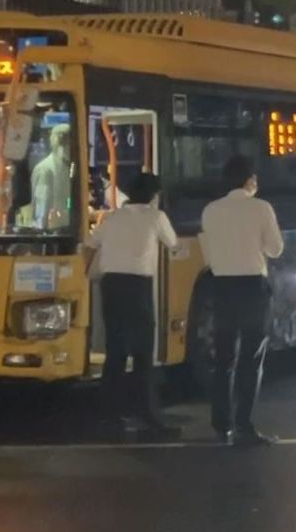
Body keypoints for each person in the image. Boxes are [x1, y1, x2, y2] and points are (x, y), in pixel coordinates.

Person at [84, 172, 180, 438]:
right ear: (154, 195)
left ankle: (110, 415)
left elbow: (90, 243)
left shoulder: (113, 217)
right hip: (139, 287)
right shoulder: (155, 217)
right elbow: (172, 243)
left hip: (112, 286)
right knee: (142, 353)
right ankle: (146, 414)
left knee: (116, 352)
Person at [200, 155, 284, 446]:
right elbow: (275, 249)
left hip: (221, 287)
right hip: (252, 288)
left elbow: (208, 255)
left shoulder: (210, 210)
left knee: (223, 359)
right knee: (251, 358)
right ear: (250, 181)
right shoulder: (261, 208)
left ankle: (220, 425)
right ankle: (244, 426)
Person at [31, 123, 71, 229]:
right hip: (51, 235)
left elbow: (68, 201)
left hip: (67, 229)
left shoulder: (69, 168)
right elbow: (41, 207)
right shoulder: (45, 170)